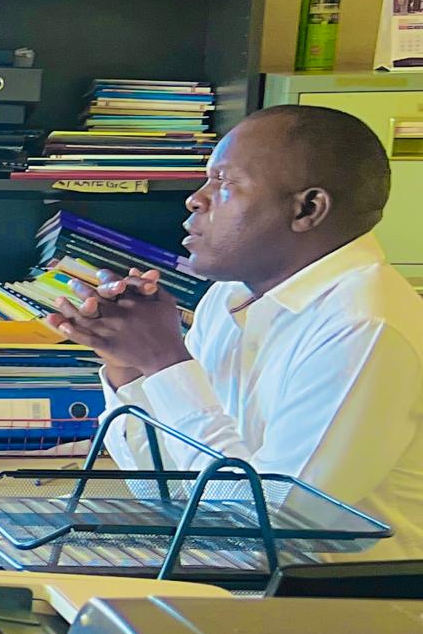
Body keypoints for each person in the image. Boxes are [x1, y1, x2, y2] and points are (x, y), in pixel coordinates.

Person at [45, 103, 423, 556]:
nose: (195, 199)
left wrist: (165, 362)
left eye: (224, 183)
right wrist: (128, 366)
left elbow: (272, 527)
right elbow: (173, 494)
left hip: (336, 607)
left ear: (307, 209)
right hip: (228, 573)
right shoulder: (228, 299)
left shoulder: (363, 325)